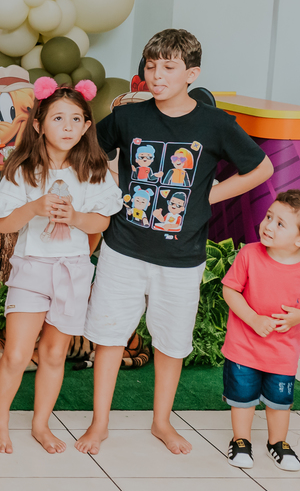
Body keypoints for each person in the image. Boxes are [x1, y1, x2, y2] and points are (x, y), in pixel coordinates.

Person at [78, 29, 274, 455]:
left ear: (192, 73)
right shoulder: (129, 118)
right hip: (122, 249)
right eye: (150, 66)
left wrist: (209, 194)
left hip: (182, 258)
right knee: (109, 337)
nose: (157, 75)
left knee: (170, 342)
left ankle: (161, 423)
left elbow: (261, 168)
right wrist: (112, 181)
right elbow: (87, 152)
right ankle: (99, 424)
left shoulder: (215, 124)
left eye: (168, 67)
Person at [0, 80, 123, 454]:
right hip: (31, 269)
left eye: (76, 119)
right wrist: (33, 207)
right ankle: (0, 422)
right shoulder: (23, 168)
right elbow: (5, 224)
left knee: (54, 354)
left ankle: (41, 425)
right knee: (15, 353)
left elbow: (103, 223)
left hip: (73, 270)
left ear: (87, 127)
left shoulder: (94, 170)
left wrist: (75, 216)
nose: (67, 126)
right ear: (39, 123)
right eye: (58, 118)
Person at [221, 190, 300, 471]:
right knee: (242, 399)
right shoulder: (249, 254)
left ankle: (277, 442)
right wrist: (254, 319)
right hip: (243, 347)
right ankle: (241, 440)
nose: (268, 225)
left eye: (280, 224)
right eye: (269, 217)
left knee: (280, 401)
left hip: (283, 353)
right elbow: (230, 290)